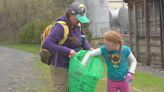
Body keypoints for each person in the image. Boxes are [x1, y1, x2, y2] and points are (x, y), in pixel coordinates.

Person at [42, 1, 92, 92]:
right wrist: (67, 51)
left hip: (74, 65)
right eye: (78, 18)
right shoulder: (60, 27)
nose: (80, 21)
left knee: (73, 89)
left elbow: (83, 39)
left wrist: (90, 49)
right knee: (61, 90)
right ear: (70, 15)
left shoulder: (79, 25)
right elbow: (47, 43)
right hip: (60, 65)